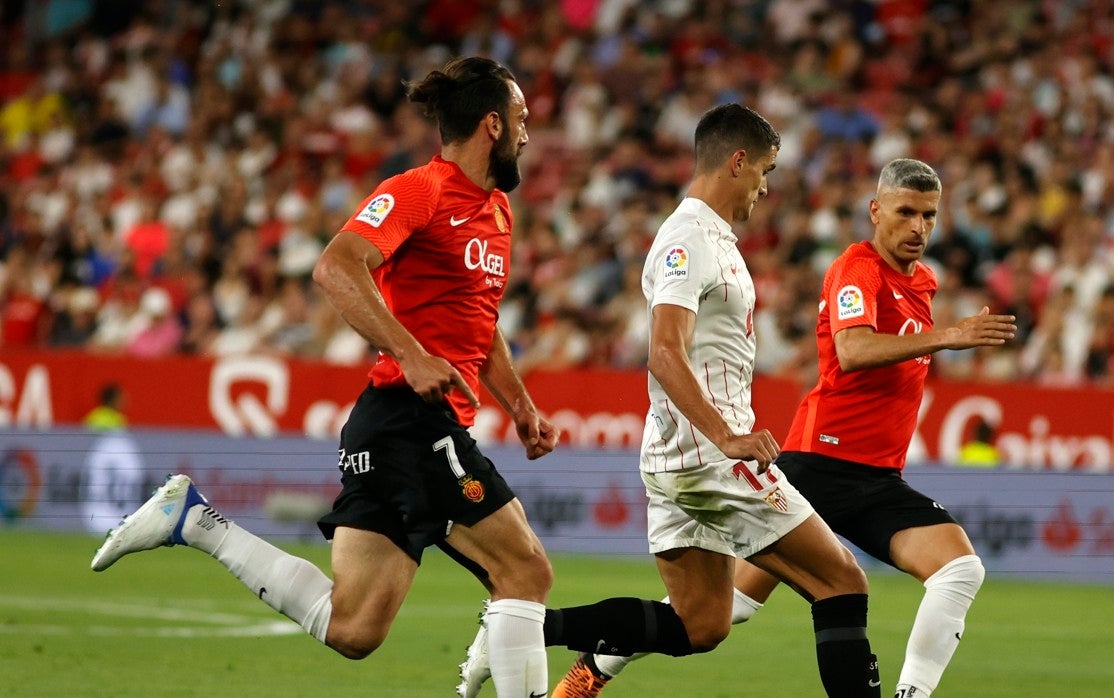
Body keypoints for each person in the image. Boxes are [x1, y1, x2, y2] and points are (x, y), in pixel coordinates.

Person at [91, 56, 561, 698]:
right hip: (409, 419)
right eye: (522, 119)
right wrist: (413, 353)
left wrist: (521, 403)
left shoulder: (498, 212)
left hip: (391, 426)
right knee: (526, 572)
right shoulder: (420, 190)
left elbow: (480, 319)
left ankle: (196, 522)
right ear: (491, 125)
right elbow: (337, 267)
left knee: (354, 627)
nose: (528, 132)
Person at [554, 158, 1017, 698]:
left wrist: (943, 335)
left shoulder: (925, 281)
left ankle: (911, 694)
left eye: (929, 216)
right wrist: (947, 336)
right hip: (818, 464)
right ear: (875, 211)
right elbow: (853, 349)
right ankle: (590, 669)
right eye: (906, 212)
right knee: (727, 609)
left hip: (878, 478)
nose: (917, 227)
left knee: (960, 569)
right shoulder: (856, 269)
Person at [463, 103, 882, 698]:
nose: (765, 187)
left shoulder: (716, 239)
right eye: (763, 170)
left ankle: (519, 626)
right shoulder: (687, 238)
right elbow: (664, 351)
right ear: (737, 162)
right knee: (842, 582)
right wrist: (728, 436)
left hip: (682, 458)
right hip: (712, 456)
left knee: (702, 623)